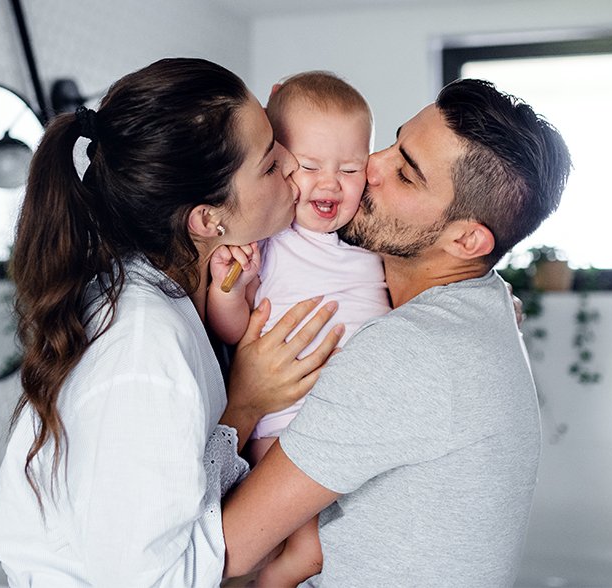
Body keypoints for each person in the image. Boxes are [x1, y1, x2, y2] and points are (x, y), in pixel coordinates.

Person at [0, 57, 345, 587]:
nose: (296, 169)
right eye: (271, 165)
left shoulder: (173, 291)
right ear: (207, 219)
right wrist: (244, 404)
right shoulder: (143, 349)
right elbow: (149, 580)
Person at [222, 78, 572, 587]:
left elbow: (223, 551)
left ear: (467, 239)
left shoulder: (408, 353)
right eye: (391, 142)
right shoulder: (485, 302)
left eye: (405, 174)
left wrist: (245, 403)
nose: (371, 167)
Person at [207, 71, 390, 587]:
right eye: (309, 167)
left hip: (352, 425)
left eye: (350, 169)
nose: (330, 184)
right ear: (281, 163)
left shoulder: (368, 235)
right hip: (285, 424)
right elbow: (234, 328)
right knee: (305, 555)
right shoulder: (270, 236)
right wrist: (226, 288)